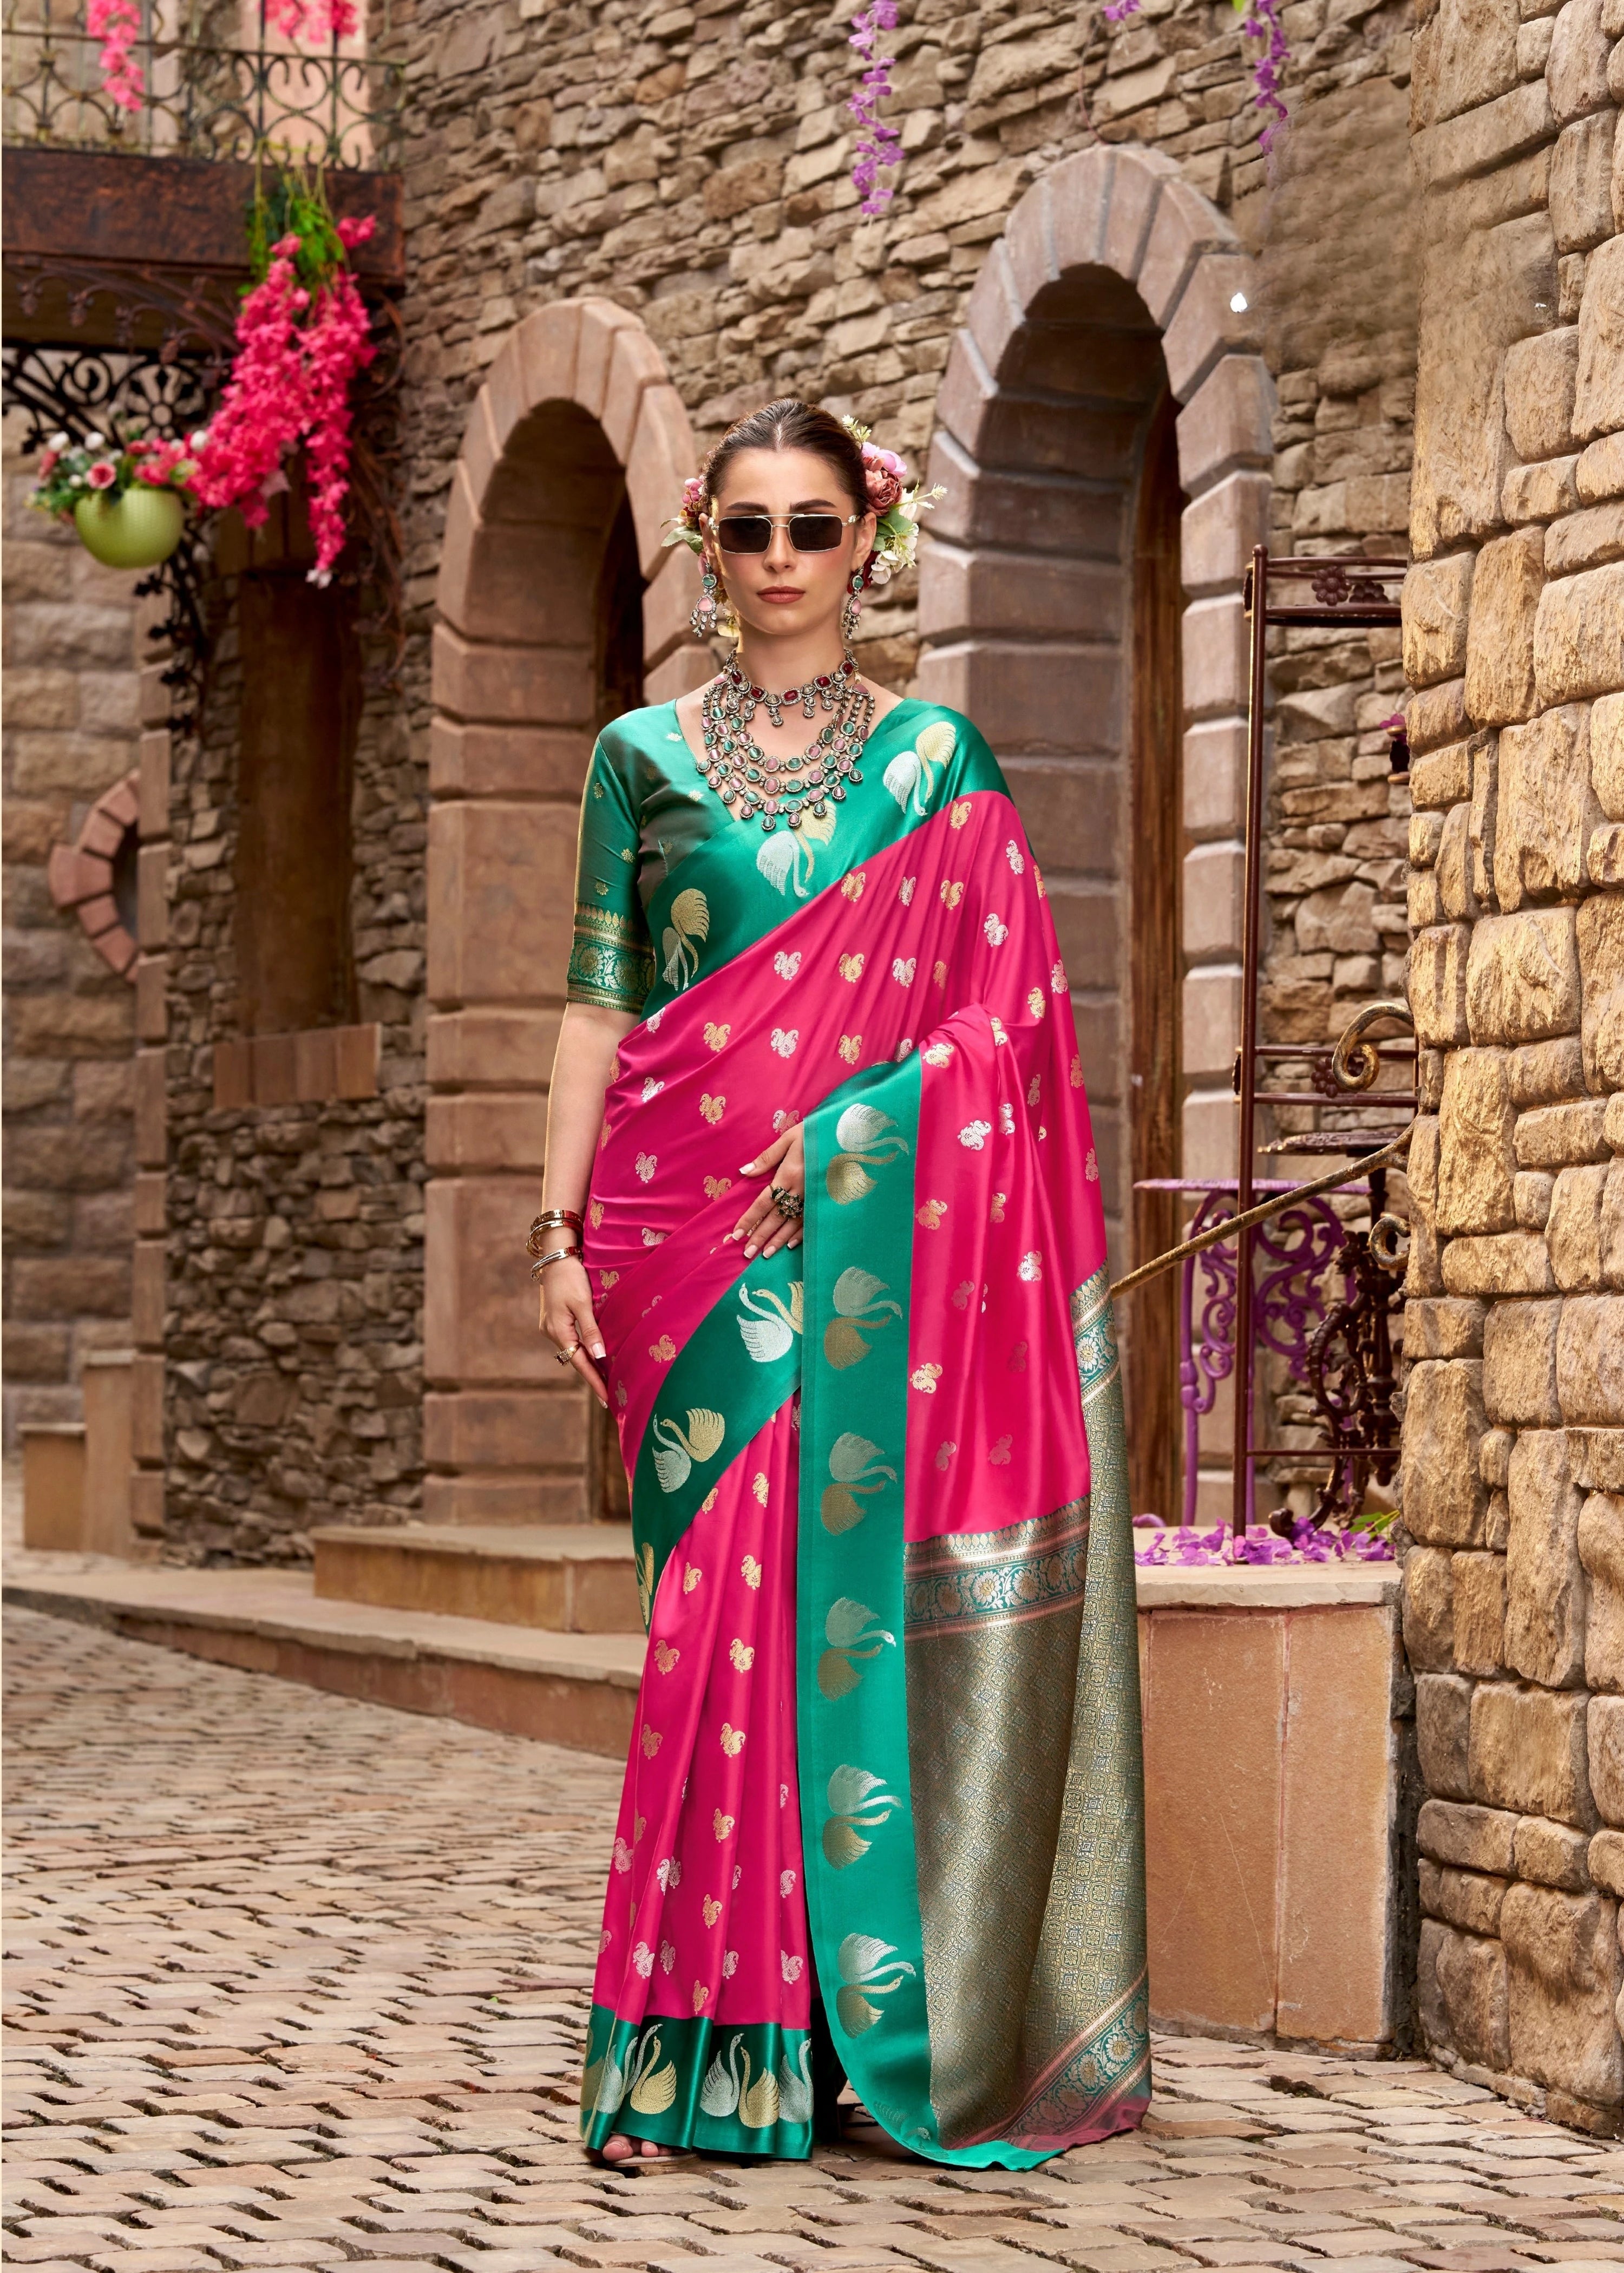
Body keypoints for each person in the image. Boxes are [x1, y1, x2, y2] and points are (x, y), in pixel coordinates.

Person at [534, 399, 1148, 2170]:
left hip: (856, 1244)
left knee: (816, 1614)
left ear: (866, 542)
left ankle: (808, 2036)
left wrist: (870, 1128)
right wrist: (552, 1230)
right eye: (750, 532)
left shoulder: (936, 767)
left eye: (815, 528)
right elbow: (599, 1006)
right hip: (676, 1244)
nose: (785, 562)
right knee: (704, 1631)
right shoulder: (636, 757)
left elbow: (1005, 1026)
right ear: (705, 551)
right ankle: (688, 2043)